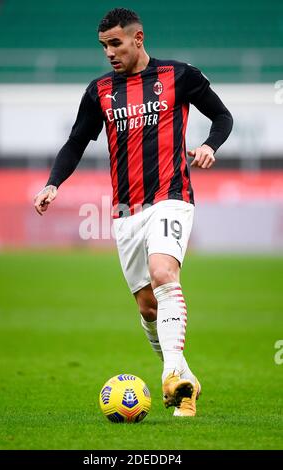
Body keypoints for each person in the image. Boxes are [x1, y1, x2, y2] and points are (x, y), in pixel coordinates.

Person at [34, 8, 233, 417]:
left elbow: (223, 116)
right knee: (147, 305)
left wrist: (211, 144)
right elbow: (75, 143)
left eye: (116, 43)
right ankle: (183, 380)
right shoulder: (100, 90)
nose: (109, 52)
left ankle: (171, 376)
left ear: (138, 38)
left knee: (164, 273)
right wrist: (54, 181)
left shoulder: (179, 76)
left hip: (171, 196)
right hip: (126, 210)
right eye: (104, 45)